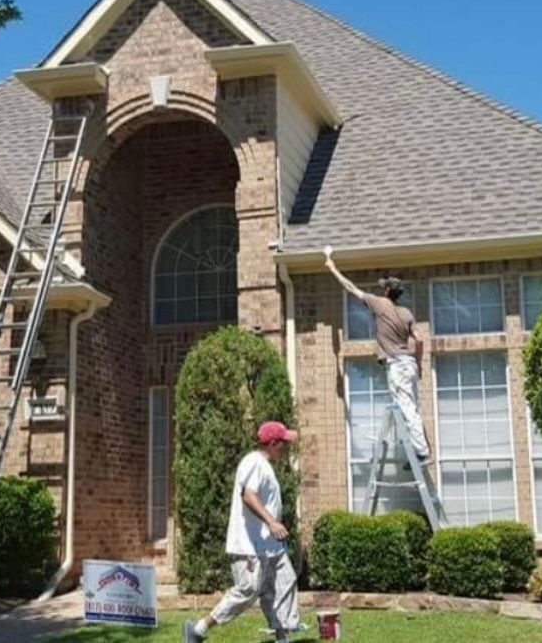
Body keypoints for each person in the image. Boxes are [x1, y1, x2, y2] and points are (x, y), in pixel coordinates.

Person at [183, 421, 302, 643]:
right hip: (249, 544)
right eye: (284, 442)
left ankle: (282, 637)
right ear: (273, 443)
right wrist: (271, 523)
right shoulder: (254, 462)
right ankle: (198, 629)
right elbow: (248, 495)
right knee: (249, 590)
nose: (287, 447)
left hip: (269, 545)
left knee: (284, 582)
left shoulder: (265, 464)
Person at [324, 254, 430, 463]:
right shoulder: (406, 312)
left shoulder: (379, 304)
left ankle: (422, 452)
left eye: (384, 288)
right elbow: (419, 339)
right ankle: (414, 450)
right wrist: (418, 362)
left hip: (397, 365)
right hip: (409, 363)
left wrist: (332, 268)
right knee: (411, 407)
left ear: (387, 291)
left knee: (407, 409)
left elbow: (351, 288)